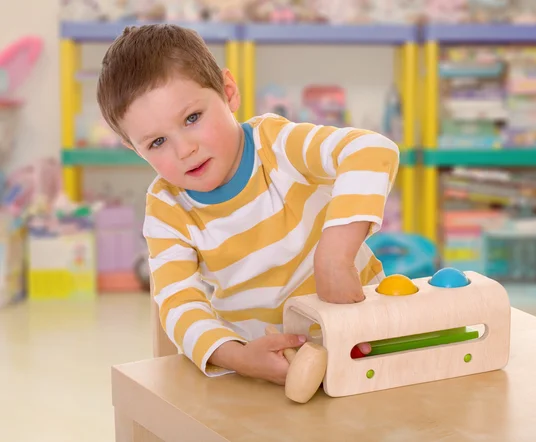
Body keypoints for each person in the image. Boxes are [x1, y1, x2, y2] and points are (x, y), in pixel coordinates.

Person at [96, 24, 400, 386]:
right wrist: (236, 356)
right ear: (134, 149)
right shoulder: (167, 207)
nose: (184, 150)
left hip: (366, 337)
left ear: (228, 92)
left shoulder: (277, 145)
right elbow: (178, 302)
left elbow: (371, 150)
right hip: (272, 366)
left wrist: (334, 255)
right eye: (157, 142)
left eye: (192, 118)